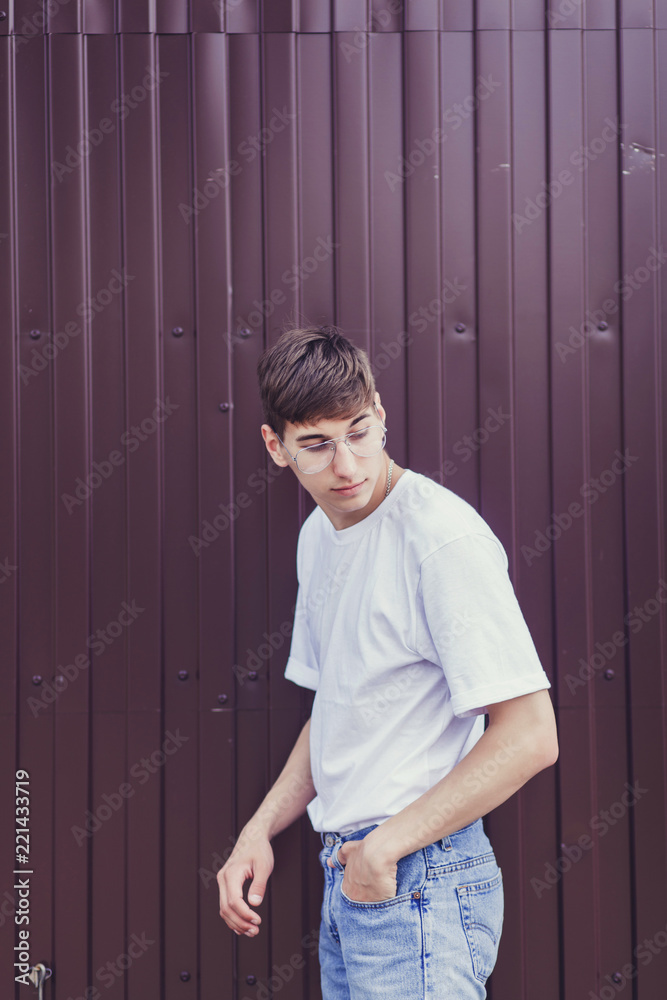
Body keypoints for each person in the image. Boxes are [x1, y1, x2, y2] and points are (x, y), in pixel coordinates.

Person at [217, 323, 559, 999]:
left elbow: (529, 735)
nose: (345, 466)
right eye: (315, 444)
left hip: (418, 875)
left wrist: (385, 849)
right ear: (275, 446)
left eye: (359, 431)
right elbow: (341, 710)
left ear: (380, 417)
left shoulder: (437, 537)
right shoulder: (319, 536)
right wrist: (258, 830)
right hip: (354, 874)